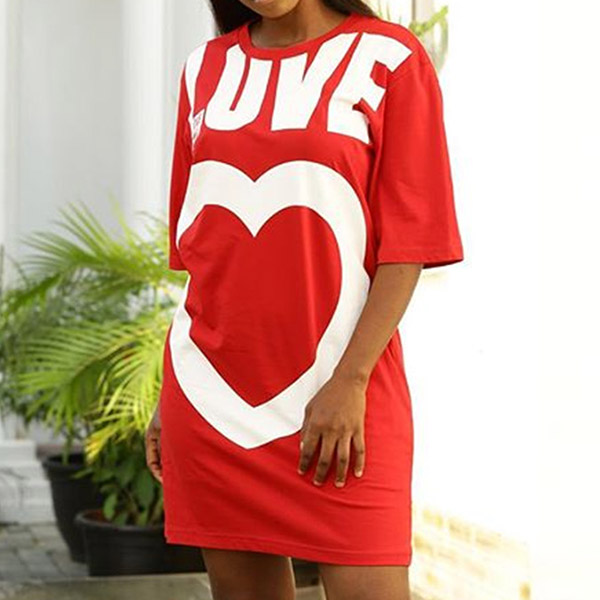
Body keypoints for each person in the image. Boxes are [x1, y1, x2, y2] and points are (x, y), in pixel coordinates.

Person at [145, 0, 464, 598]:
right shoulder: (204, 70)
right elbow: (205, 252)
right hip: (213, 401)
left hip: (344, 403)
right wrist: (171, 393)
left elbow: (409, 246)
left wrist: (350, 381)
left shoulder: (389, 59)